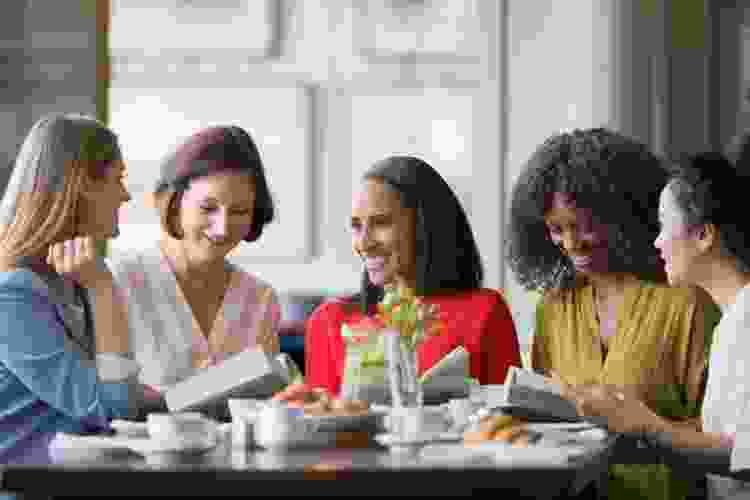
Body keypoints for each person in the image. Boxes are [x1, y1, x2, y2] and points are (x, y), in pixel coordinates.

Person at [506, 128, 720, 500]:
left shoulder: (686, 303)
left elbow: (723, 432)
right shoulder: (553, 308)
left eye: (582, 226)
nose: (571, 244)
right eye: (557, 229)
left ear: (624, 213)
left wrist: (644, 430)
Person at [566, 150, 750, 500]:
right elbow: (722, 435)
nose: (657, 241)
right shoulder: (731, 320)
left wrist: (648, 426)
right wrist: (628, 425)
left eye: (665, 224)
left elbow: (744, 455)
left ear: (703, 236)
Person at [0, 114, 159, 464]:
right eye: (117, 179)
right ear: (81, 185)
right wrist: (103, 289)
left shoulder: (68, 280)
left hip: (75, 478)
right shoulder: (13, 296)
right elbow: (113, 409)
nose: (125, 195)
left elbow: (121, 397)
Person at [305, 155, 521, 396]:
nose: (364, 243)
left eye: (381, 223)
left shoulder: (484, 311)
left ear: (424, 226)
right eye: (356, 226)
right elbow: (321, 424)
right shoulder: (329, 321)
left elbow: (508, 423)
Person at [107, 125, 281, 392]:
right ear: (174, 204)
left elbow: (259, 409)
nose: (223, 227)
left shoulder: (260, 300)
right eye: (208, 208)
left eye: (240, 211)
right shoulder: (116, 282)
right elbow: (102, 399)